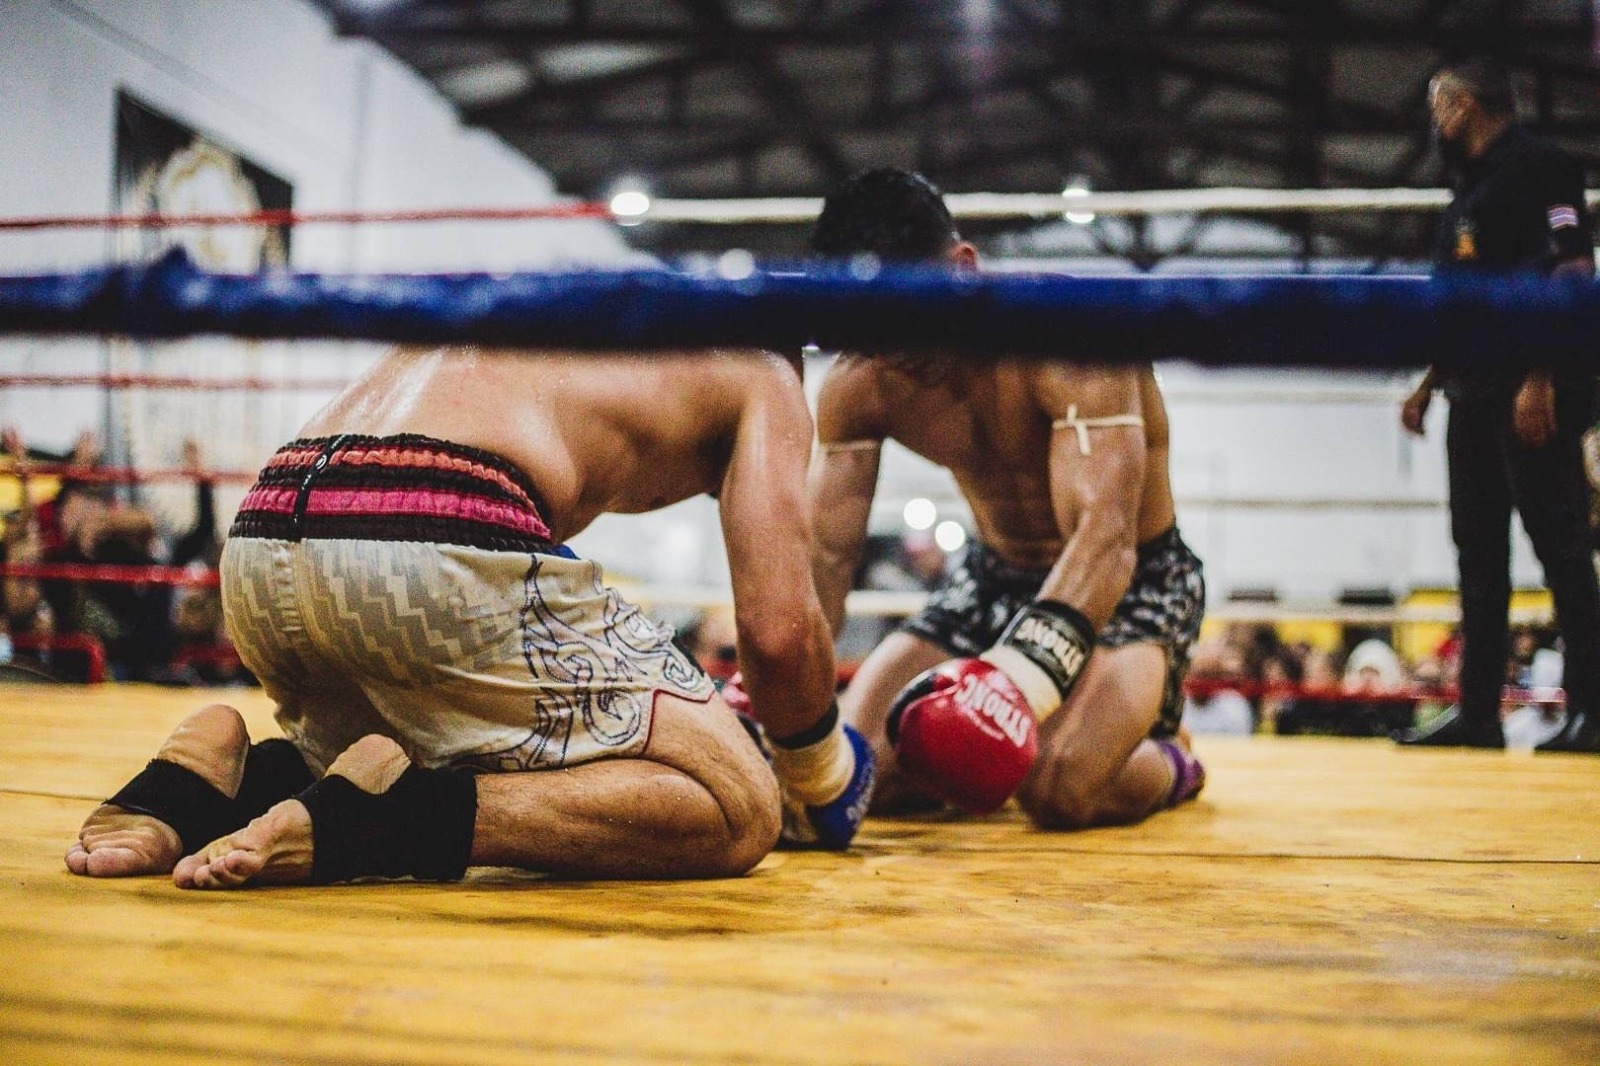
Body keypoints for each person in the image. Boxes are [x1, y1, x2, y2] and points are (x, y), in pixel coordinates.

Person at [67, 346, 874, 888]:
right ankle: (391, 822)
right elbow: (776, 634)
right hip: (435, 521)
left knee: (450, 724)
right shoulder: (766, 369)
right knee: (737, 804)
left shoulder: (563, 315)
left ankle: (234, 784)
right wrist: (819, 772)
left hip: (265, 526)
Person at [807, 167, 1206, 828]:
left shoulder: (1068, 335)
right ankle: (977, 762)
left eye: (908, 318)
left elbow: (1106, 544)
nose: (895, 351)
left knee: (1057, 788)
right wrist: (793, 712)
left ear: (963, 268)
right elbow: (826, 559)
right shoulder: (862, 383)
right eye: (871, 328)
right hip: (993, 576)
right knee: (853, 775)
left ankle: (1174, 759)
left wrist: (1012, 682)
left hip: (1136, 580)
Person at [1395, 58, 1600, 753]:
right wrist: (1430, 382)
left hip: (1529, 389)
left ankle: (1593, 711)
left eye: (1436, 104)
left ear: (1461, 104)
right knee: (1476, 554)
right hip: (1471, 392)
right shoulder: (1468, 191)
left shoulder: (1541, 165)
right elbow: (1463, 303)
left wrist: (1542, 375)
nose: (1433, 121)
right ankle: (1478, 712)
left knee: (1561, 546)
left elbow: (1572, 270)